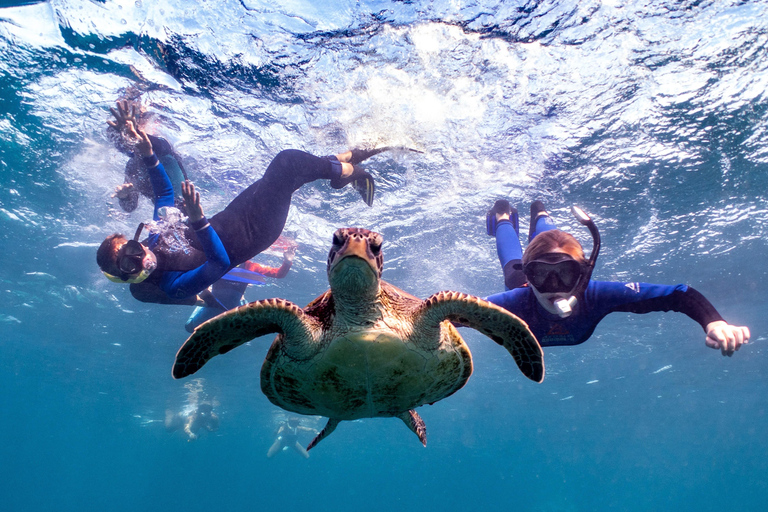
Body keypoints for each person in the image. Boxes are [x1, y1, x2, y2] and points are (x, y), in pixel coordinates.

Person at [96, 119, 381, 307]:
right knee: (287, 164)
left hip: (236, 212)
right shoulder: (173, 286)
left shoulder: (154, 237)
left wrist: (148, 154)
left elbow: (164, 195)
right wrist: (198, 220)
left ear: (137, 241)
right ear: (127, 278)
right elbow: (218, 264)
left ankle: (345, 159)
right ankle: (348, 173)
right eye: (130, 266)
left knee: (292, 177)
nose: (141, 259)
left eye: (133, 249)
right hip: (255, 232)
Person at [484, 199, 750, 356]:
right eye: (541, 274)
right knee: (513, 269)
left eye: (566, 274)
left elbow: (680, 295)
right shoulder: (516, 298)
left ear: (583, 274)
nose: (554, 287)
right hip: (519, 283)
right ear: (529, 278)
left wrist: (714, 322)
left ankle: (540, 213)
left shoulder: (597, 295)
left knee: (550, 245)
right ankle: (504, 215)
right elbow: (444, 310)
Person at [107, 98, 189, 213]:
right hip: (165, 217)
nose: (126, 145)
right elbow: (130, 207)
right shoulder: (132, 166)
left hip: (188, 211)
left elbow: (154, 146)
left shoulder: (163, 146)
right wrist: (124, 196)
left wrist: (133, 132)